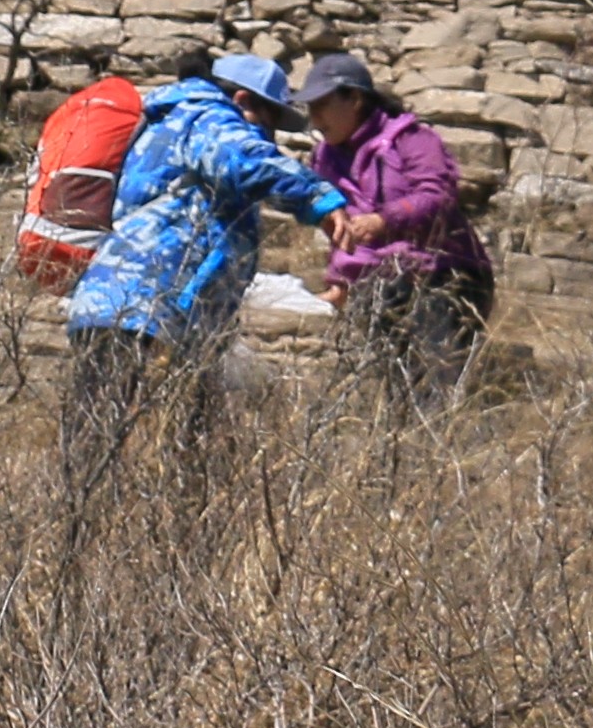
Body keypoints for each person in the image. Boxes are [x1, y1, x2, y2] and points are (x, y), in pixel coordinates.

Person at [56, 58, 349, 491]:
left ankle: (139, 538)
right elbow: (245, 160)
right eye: (266, 121)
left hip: (152, 311)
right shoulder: (206, 116)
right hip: (138, 305)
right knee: (106, 441)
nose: (266, 136)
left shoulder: (173, 122)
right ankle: (87, 535)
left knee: (138, 436)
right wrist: (318, 196)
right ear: (243, 100)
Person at [294, 50, 495, 403]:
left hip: (445, 275)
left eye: (322, 106)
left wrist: (384, 220)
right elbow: (340, 231)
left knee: (434, 384)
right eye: (309, 108)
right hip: (383, 282)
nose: (314, 118)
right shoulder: (325, 158)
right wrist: (341, 281)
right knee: (397, 386)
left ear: (354, 99)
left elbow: (437, 196)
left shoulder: (412, 140)